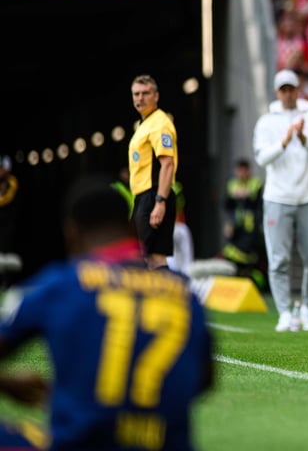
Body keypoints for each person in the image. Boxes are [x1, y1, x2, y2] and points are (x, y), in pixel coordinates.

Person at [0, 175, 214, 450]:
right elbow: (204, 380)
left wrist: (7, 384)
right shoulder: (184, 294)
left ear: (71, 233)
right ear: (132, 228)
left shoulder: (62, 283)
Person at [253, 69, 308, 333]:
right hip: (278, 196)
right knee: (279, 259)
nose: (287, 94)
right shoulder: (266, 122)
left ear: (298, 90)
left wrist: (303, 138)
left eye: (291, 89)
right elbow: (262, 159)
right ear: (277, 92)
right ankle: (284, 312)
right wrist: (285, 141)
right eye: (283, 89)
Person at [127, 74, 178, 270]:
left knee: (138, 258)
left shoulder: (159, 124)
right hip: (147, 197)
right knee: (156, 259)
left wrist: (160, 201)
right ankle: (167, 300)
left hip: (153, 196)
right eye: (136, 94)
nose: (140, 98)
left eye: (145, 93)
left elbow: (168, 164)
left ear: (156, 96)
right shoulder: (145, 124)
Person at [222, 159, 266, 288]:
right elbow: (227, 205)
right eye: (240, 170)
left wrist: (245, 195)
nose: (242, 173)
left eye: (244, 170)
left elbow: (258, 205)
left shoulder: (255, 183)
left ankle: (253, 283)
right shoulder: (232, 184)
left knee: (249, 255)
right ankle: (237, 282)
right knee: (232, 254)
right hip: (235, 226)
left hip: (251, 227)